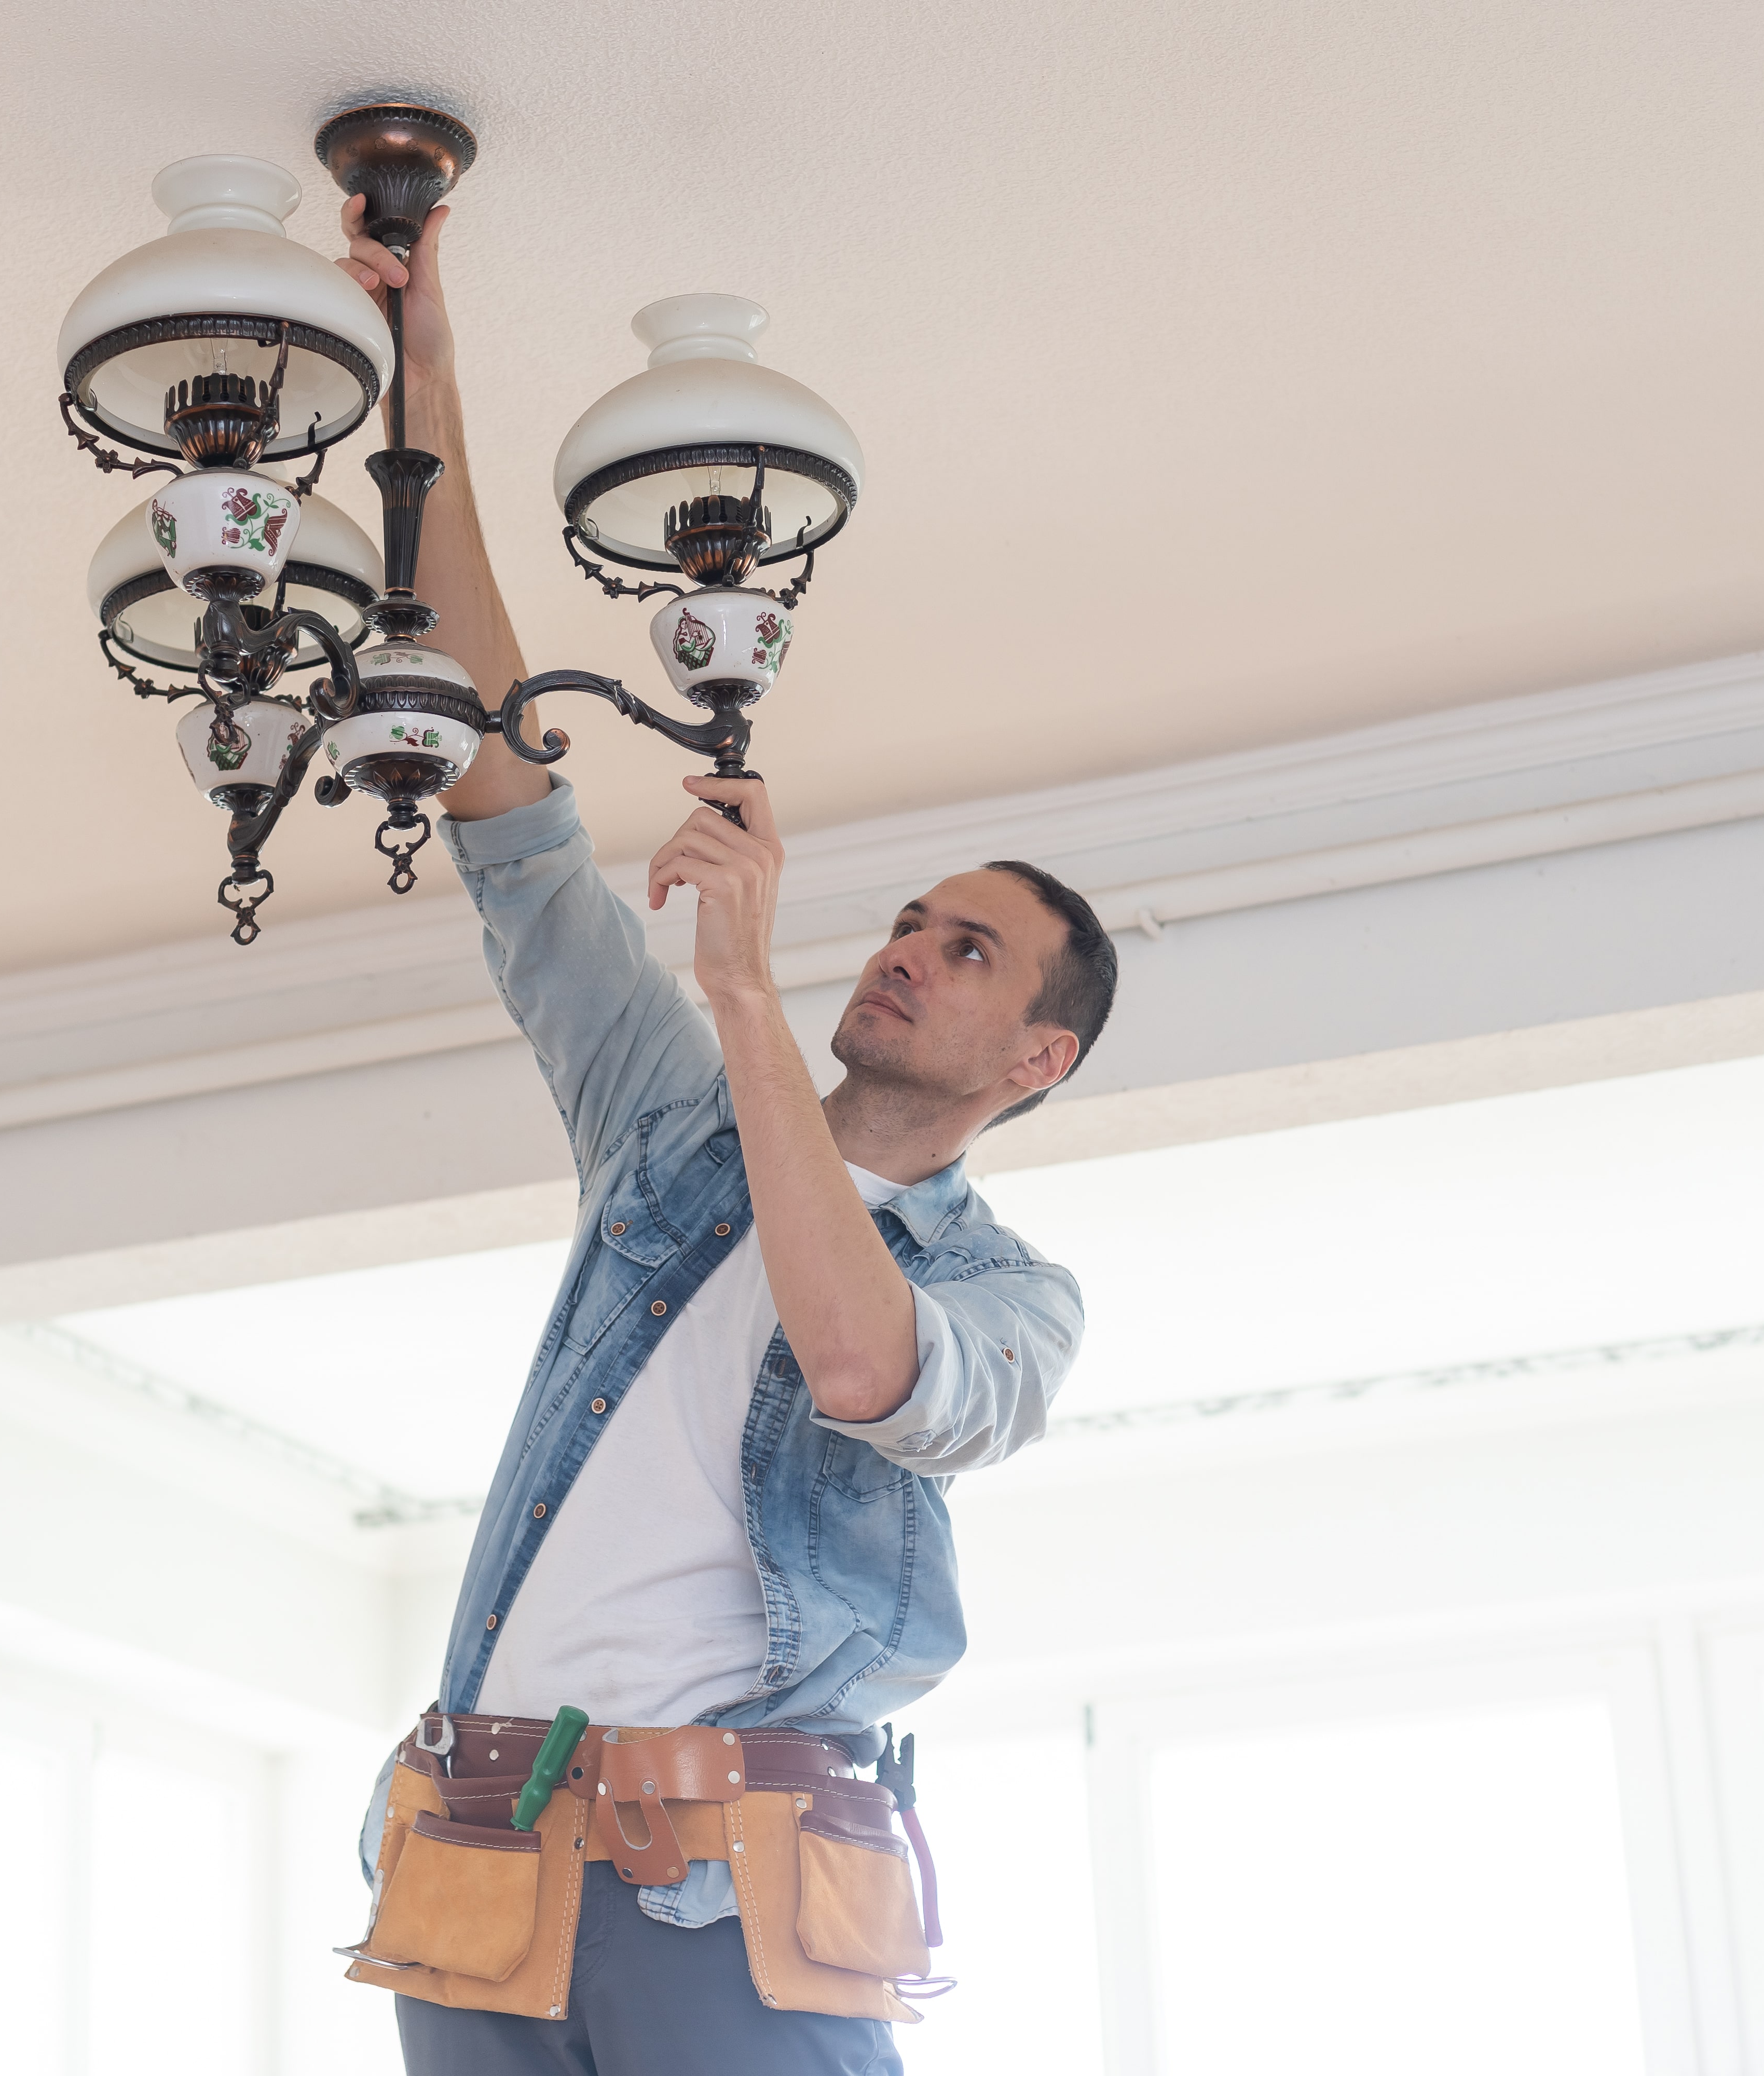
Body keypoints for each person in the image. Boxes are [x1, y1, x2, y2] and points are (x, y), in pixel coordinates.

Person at [335, 195, 1120, 2076]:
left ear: (1041, 1055)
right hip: (479, 1853)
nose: (911, 956)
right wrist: (420, 392)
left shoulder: (1011, 1304)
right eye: (913, 922)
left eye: (970, 952)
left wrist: (750, 993)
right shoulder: (669, 1133)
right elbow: (509, 801)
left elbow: (861, 1362)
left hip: (736, 1873)